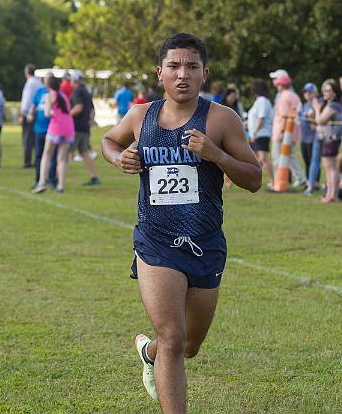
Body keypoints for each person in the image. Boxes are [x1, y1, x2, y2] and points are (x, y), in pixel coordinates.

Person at [101, 33, 261, 413]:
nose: (182, 74)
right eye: (174, 66)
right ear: (160, 73)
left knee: (188, 344)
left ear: (205, 73)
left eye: (191, 66)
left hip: (204, 243)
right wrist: (118, 157)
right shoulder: (140, 116)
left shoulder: (222, 119)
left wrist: (216, 154)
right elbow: (109, 141)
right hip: (155, 242)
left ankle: (148, 352)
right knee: (173, 336)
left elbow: (254, 179)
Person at [33, 77, 74, 194]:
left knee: (47, 154)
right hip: (68, 129)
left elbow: (47, 113)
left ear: (48, 85)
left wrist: (53, 112)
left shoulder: (48, 95)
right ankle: (61, 186)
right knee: (61, 159)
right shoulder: (63, 96)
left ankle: (41, 182)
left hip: (55, 128)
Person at [313, 79, 342, 203]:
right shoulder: (327, 104)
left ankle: (332, 195)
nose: (325, 93)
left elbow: (320, 120)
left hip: (330, 139)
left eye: (328, 90)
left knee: (331, 167)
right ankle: (330, 194)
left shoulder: (334, 105)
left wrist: (316, 108)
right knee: (329, 167)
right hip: (325, 138)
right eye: (324, 90)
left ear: (334, 93)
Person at [271, 73, 305, 187]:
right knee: (291, 156)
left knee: (277, 157)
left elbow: (284, 115)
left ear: (281, 85)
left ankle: (278, 180)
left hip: (283, 131)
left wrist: (281, 132)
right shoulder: (295, 96)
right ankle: (300, 177)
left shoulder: (284, 97)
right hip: (293, 131)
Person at [69, 71, 100, 186]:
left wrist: (66, 116)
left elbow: (78, 107)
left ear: (74, 81)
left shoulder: (77, 91)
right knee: (85, 152)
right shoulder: (86, 92)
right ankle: (94, 177)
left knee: (63, 152)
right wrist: (90, 122)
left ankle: (55, 178)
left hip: (76, 127)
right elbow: (92, 111)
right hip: (85, 127)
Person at [28, 76, 57, 189]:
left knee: (52, 155)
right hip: (39, 128)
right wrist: (30, 113)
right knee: (39, 155)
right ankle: (39, 179)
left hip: (52, 129)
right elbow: (33, 105)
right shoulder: (39, 92)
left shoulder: (55, 93)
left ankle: (52, 179)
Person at [247, 80, 275, 187]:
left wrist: (254, 133)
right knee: (256, 159)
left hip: (261, 134)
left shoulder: (263, 101)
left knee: (263, 158)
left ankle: (273, 181)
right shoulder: (259, 101)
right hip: (257, 134)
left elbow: (261, 118)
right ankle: (255, 180)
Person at [21, 64, 43, 168]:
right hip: (37, 113)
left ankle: (27, 161)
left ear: (27, 72)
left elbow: (27, 99)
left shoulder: (30, 83)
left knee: (27, 138)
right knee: (34, 138)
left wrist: (23, 113)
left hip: (30, 113)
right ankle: (36, 159)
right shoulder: (39, 82)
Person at [300, 83, 320, 194]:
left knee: (314, 161)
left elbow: (316, 117)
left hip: (313, 138)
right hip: (304, 137)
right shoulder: (305, 105)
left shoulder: (316, 103)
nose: (307, 94)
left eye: (310, 92)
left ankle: (315, 182)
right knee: (307, 161)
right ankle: (309, 181)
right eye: (305, 92)